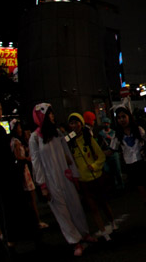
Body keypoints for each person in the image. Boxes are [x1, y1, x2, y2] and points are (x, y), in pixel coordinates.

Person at [29, 103, 97, 257]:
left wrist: (74, 174)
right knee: (62, 212)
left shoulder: (57, 133)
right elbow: (36, 162)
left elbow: (67, 154)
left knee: (75, 207)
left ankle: (84, 234)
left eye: (52, 113)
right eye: (49, 114)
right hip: (50, 181)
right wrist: (43, 185)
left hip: (65, 176)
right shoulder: (34, 138)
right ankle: (75, 242)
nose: (52, 116)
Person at [0, 97, 41, 254]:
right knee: (19, 209)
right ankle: (31, 239)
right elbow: (5, 156)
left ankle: (10, 241)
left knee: (3, 212)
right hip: (7, 177)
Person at [67, 113, 116, 241]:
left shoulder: (88, 138)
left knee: (104, 204)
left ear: (81, 123)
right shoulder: (69, 142)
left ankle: (112, 223)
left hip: (96, 177)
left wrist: (94, 166)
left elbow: (101, 156)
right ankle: (103, 232)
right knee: (93, 208)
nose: (74, 125)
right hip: (83, 180)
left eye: (76, 122)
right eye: (71, 123)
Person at [9, 119, 48, 230]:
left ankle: (35, 221)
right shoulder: (16, 142)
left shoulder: (14, 141)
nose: (21, 130)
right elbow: (17, 156)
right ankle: (37, 221)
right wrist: (27, 158)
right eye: (19, 127)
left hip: (23, 171)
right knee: (31, 197)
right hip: (24, 171)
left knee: (30, 198)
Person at [97, 117, 124, 191]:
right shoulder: (101, 134)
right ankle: (114, 186)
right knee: (108, 171)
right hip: (105, 153)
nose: (106, 124)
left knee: (118, 170)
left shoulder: (113, 132)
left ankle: (121, 186)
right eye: (105, 123)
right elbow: (99, 145)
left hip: (114, 153)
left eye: (107, 123)